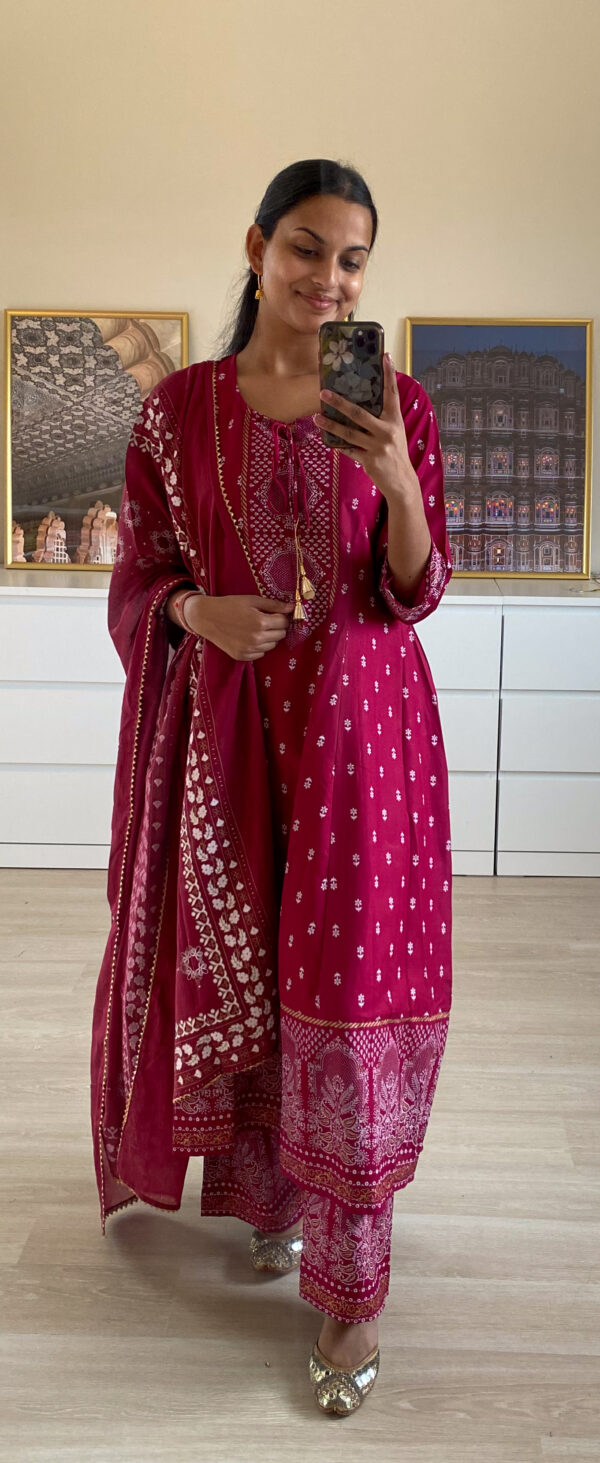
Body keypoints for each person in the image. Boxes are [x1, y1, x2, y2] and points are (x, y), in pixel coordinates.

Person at [91, 158, 453, 1417]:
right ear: (257, 248)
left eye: (353, 258)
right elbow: (141, 576)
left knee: (350, 992)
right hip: (230, 741)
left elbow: (414, 587)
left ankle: (354, 1293)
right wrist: (201, 610)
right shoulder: (179, 411)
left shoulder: (395, 398)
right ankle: (270, 1201)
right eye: (307, 248)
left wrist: (397, 475)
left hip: (365, 743)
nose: (330, 278)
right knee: (249, 977)